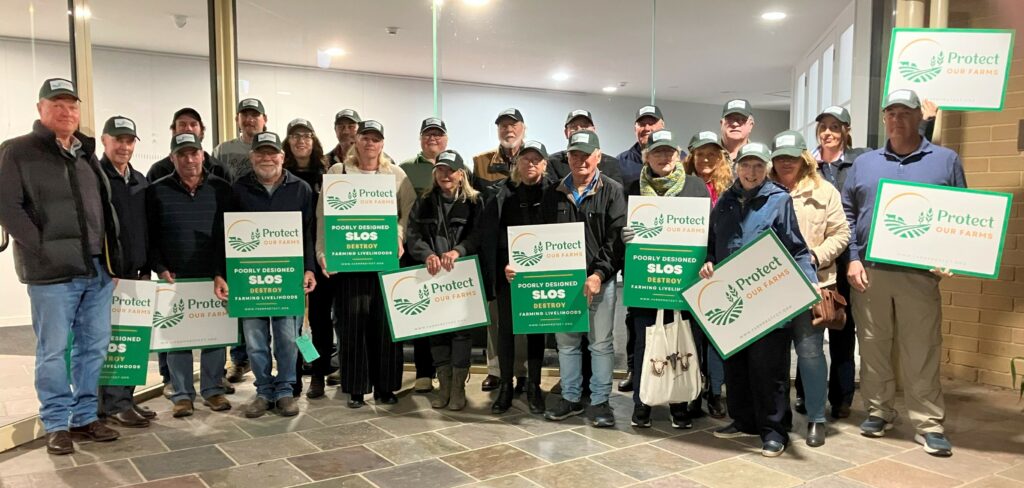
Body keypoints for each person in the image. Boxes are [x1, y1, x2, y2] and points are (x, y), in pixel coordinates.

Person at [0, 78, 124, 455]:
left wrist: (112, 258)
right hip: (52, 274)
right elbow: (8, 208)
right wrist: (42, 249)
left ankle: (84, 417)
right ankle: (56, 422)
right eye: (57, 105)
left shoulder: (85, 152)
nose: (66, 112)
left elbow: (103, 208)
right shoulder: (18, 151)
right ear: (41, 109)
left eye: (72, 105)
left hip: (97, 271)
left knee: (94, 347)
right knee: (53, 351)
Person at [843, 89, 965, 457]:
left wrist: (952, 254)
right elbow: (848, 210)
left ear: (919, 117)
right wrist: (852, 257)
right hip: (870, 271)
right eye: (891, 113)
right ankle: (879, 411)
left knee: (921, 348)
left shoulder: (944, 160)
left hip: (919, 273)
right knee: (874, 345)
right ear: (884, 118)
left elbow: (960, 210)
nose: (897, 119)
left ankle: (928, 423)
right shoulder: (865, 163)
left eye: (905, 112)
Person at [704, 142, 816, 458]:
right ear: (737, 167)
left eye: (757, 166)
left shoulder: (779, 200)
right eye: (746, 165)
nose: (751, 172)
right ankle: (744, 420)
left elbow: (797, 248)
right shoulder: (724, 203)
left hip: (767, 298)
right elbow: (713, 245)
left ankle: (774, 431)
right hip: (732, 298)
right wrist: (709, 260)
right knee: (736, 366)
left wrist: (810, 281)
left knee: (769, 368)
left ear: (766, 168)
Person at [525, 130, 625, 427]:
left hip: (600, 282)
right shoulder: (551, 193)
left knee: (600, 344)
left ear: (598, 156)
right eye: (574, 155)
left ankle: (599, 402)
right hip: (563, 284)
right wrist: (522, 267)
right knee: (566, 345)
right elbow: (540, 240)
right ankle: (570, 398)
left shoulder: (612, 190)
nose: (580, 160)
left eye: (586, 155)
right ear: (567, 157)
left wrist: (598, 274)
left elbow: (615, 240)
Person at [213, 131, 317, 418]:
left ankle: (284, 390)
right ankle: (263, 391)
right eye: (261, 153)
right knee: (256, 341)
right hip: (248, 279)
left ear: (282, 157)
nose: (267, 158)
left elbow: (309, 232)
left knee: (287, 337)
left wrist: (309, 268)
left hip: (287, 278)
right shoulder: (237, 190)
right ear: (252, 157)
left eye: (273, 153)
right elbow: (222, 235)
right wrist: (220, 273)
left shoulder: (301, 189)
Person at [316, 120, 416, 408]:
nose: (370, 143)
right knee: (351, 326)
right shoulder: (339, 172)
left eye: (375, 139)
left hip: (385, 260)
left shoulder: (396, 175)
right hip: (349, 263)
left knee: (385, 327)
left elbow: (407, 214)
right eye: (365, 138)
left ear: (382, 144)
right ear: (355, 141)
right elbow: (324, 217)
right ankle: (357, 388)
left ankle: (385, 387)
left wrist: (397, 236)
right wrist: (322, 253)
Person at [620, 129, 710, 429]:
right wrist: (624, 236)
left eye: (669, 152)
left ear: (679, 156)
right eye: (657, 152)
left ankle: (679, 402)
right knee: (644, 341)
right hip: (646, 278)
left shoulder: (696, 187)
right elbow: (619, 228)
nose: (663, 157)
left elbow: (708, 231)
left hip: (683, 279)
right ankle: (642, 401)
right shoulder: (632, 188)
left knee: (682, 339)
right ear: (646, 156)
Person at [769, 130, 850, 447]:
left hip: (812, 284)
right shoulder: (763, 189)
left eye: (791, 156)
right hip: (770, 286)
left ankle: (816, 418)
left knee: (810, 353)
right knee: (772, 357)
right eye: (780, 157)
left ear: (804, 157)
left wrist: (815, 257)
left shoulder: (825, 191)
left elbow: (841, 235)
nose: (785, 162)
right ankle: (777, 417)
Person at [148, 133, 233, 419]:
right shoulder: (157, 190)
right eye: (182, 154)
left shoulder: (222, 189)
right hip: (176, 277)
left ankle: (212, 389)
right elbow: (151, 235)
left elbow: (229, 234)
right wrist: (159, 266)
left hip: (213, 276)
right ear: (172, 158)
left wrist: (222, 271)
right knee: (177, 338)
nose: (189, 159)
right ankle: (182, 395)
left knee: (214, 336)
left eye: (194, 153)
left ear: (203, 156)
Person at [802, 105, 868, 420]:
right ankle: (805, 393)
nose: (828, 132)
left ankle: (841, 397)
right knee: (808, 329)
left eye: (835, 127)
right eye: (823, 127)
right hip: (812, 262)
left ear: (846, 130)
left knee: (842, 327)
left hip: (847, 260)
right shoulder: (807, 165)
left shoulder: (859, 163)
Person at [405, 150, 483, 411]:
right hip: (433, 277)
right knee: (437, 330)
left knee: (461, 332)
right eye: (440, 170)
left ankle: (458, 387)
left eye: (450, 170)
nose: (445, 175)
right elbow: (413, 236)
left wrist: (457, 251)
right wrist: (426, 255)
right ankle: (445, 385)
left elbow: (478, 237)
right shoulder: (424, 201)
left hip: (463, 277)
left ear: (461, 174)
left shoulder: (475, 202)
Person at [97, 116, 157, 428]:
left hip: (137, 274)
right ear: (105, 141)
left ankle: (126, 398)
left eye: (129, 140)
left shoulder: (140, 180)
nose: (124, 146)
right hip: (109, 275)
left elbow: (146, 228)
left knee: (132, 340)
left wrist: (148, 267)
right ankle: (111, 404)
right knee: (110, 341)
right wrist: (107, 269)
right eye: (118, 139)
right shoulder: (96, 178)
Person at [489, 140, 552, 415]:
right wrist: (504, 265)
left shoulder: (555, 193)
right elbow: (495, 236)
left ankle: (534, 387)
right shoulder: (503, 194)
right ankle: (505, 386)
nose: (531, 164)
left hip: (542, 274)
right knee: (507, 331)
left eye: (536, 160)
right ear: (518, 163)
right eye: (526, 159)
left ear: (545, 165)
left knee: (536, 330)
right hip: (510, 275)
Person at [614, 104, 669, 393]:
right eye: (641, 123)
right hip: (638, 255)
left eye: (652, 123)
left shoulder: (678, 161)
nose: (646, 128)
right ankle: (636, 372)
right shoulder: (621, 162)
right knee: (636, 318)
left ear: (662, 125)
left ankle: (671, 377)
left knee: (672, 321)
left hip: (674, 259)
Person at [473, 108, 527, 392]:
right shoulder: (480, 163)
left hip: (527, 250)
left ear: (523, 128)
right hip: (494, 250)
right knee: (495, 315)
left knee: (524, 313)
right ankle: (495, 369)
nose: (508, 129)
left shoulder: (535, 158)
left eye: (513, 125)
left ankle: (523, 370)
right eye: (503, 125)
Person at [680, 131, 732, 418]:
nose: (706, 158)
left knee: (716, 337)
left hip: (719, 269)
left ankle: (715, 392)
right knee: (693, 336)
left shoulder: (730, 189)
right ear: (692, 157)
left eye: (712, 153)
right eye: (701, 153)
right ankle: (692, 391)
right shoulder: (682, 186)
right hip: (688, 270)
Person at [281, 118, 334, 400]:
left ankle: (318, 375)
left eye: (306, 135)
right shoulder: (280, 174)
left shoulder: (327, 174)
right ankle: (293, 376)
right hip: (289, 256)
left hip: (321, 256)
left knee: (320, 320)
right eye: (295, 135)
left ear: (314, 141)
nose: (301, 140)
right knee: (293, 321)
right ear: (287, 142)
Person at [399, 117, 450, 394]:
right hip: (416, 252)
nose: (433, 139)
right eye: (428, 134)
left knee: (447, 314)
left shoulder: (459, 167)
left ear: (446, 139)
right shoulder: (404, 169)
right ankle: (422, 372)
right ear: (420, 138)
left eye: (438, 134)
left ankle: (447, 372)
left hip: (449, 256)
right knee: (420, 313)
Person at [146, 108, 229, 183]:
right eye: (182, 124)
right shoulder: (158, 171)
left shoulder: (219, 170)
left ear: (201, 131)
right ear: (174, 131)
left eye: (193, 124)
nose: (188, 128)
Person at [547, 109, 623, 185]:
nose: (579, 130)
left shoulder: (611, 164)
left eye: (585, 126)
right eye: (574, 127)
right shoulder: (553, 163)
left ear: (594, 130)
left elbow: (616, 193)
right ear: (566, 132)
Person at [214, 98, 268, 183]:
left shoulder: (275, 150)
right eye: (245, 115)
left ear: (265, 119)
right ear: (236, 119)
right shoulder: (222, 150)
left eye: (254, 115)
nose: (249, 120)